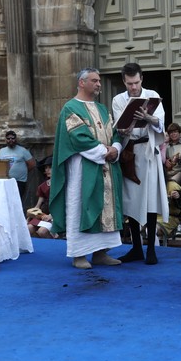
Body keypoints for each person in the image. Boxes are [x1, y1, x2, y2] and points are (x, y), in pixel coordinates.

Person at [49, 67, 124, 270]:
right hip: (83, 168)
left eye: (99, 81)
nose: (99, 84)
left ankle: (101, 253)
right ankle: (79, 254)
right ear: (81, 83)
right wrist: (105, 151)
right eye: (94, 80)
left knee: (104, 207)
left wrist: (116, 148)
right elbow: (78, 138)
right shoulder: (71, 108)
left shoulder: (102, 108)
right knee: (80, 206)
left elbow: (115, 133)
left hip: (106, 166)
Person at [112, 63, 169, 265]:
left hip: (148, 152)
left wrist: (148, 117)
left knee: (150, 200)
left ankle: (151, 248)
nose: (134, 87)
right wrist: (123, 130)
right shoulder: (118, 100)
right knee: (131, 201)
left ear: (141, 79)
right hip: (129, 154)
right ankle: (137, 247)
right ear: (124, 82)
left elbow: (160, 123)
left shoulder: (152, 95)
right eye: (129, 84)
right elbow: (118, 128)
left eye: (136, 82)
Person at [0, 130, 36, 201]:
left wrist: (23, 172)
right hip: (6, 181)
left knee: (17, 201)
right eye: (8, 138)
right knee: (7, 200)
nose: (10, 140)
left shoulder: (23, 150)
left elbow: (32, 164)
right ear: (5, 140)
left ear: (16, 139)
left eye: (12, 138)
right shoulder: (2, 151)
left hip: (19, 181)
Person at [27, 156, 54, 239]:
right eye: (46, 168)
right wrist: (30, 216)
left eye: (50, 167)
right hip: (43, 215)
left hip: (56, 216)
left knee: (42, 231)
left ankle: (52, 244)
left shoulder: (62, 185)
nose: (47, 170)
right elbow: (38, 205)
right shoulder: (42, 186)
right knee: (28, 228)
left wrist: (51, 216)